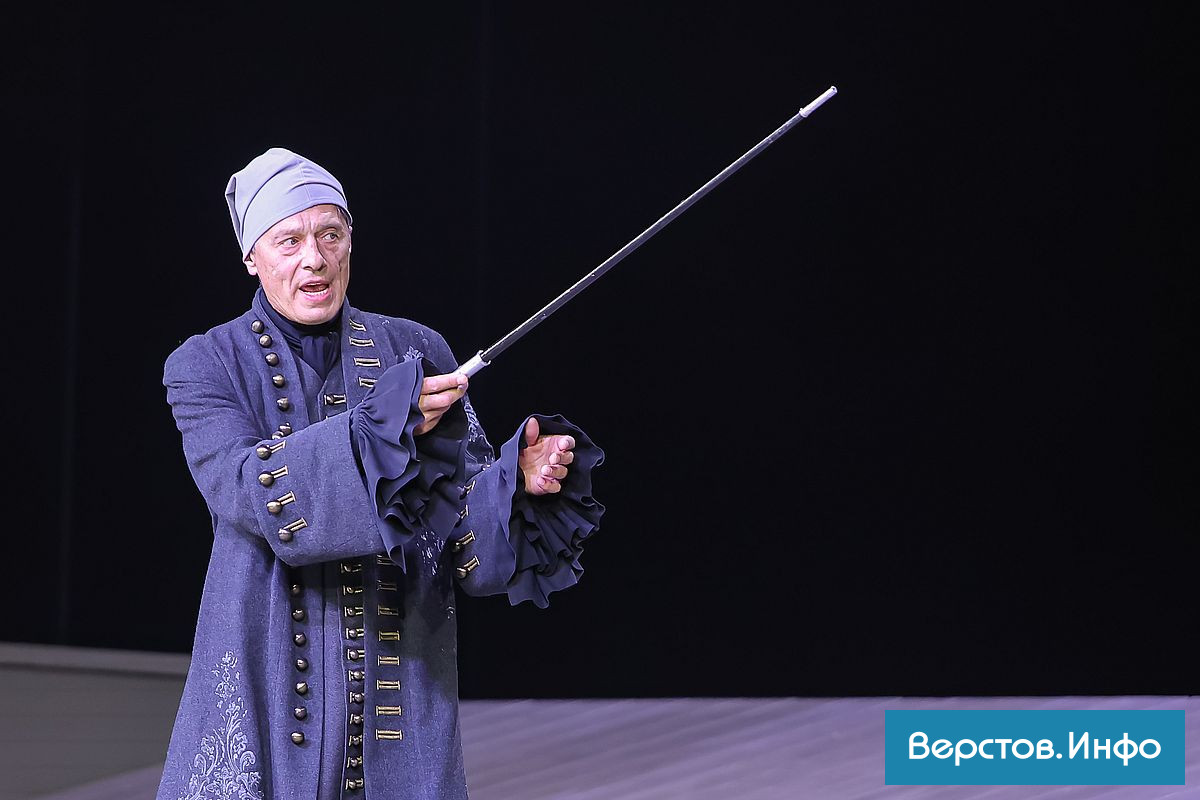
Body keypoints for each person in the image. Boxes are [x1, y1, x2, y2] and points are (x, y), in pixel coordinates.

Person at [156, 147, 604, 800]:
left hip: (400, 703)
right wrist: (377, 433)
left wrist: (514, 484)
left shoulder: (414, 350)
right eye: (289, 241)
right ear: (252, 256)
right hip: (265, 691)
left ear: (350, 241)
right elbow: (249, 491)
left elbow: (462, 542)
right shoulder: (205, 365)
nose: (315, 258)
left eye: (329, 234)